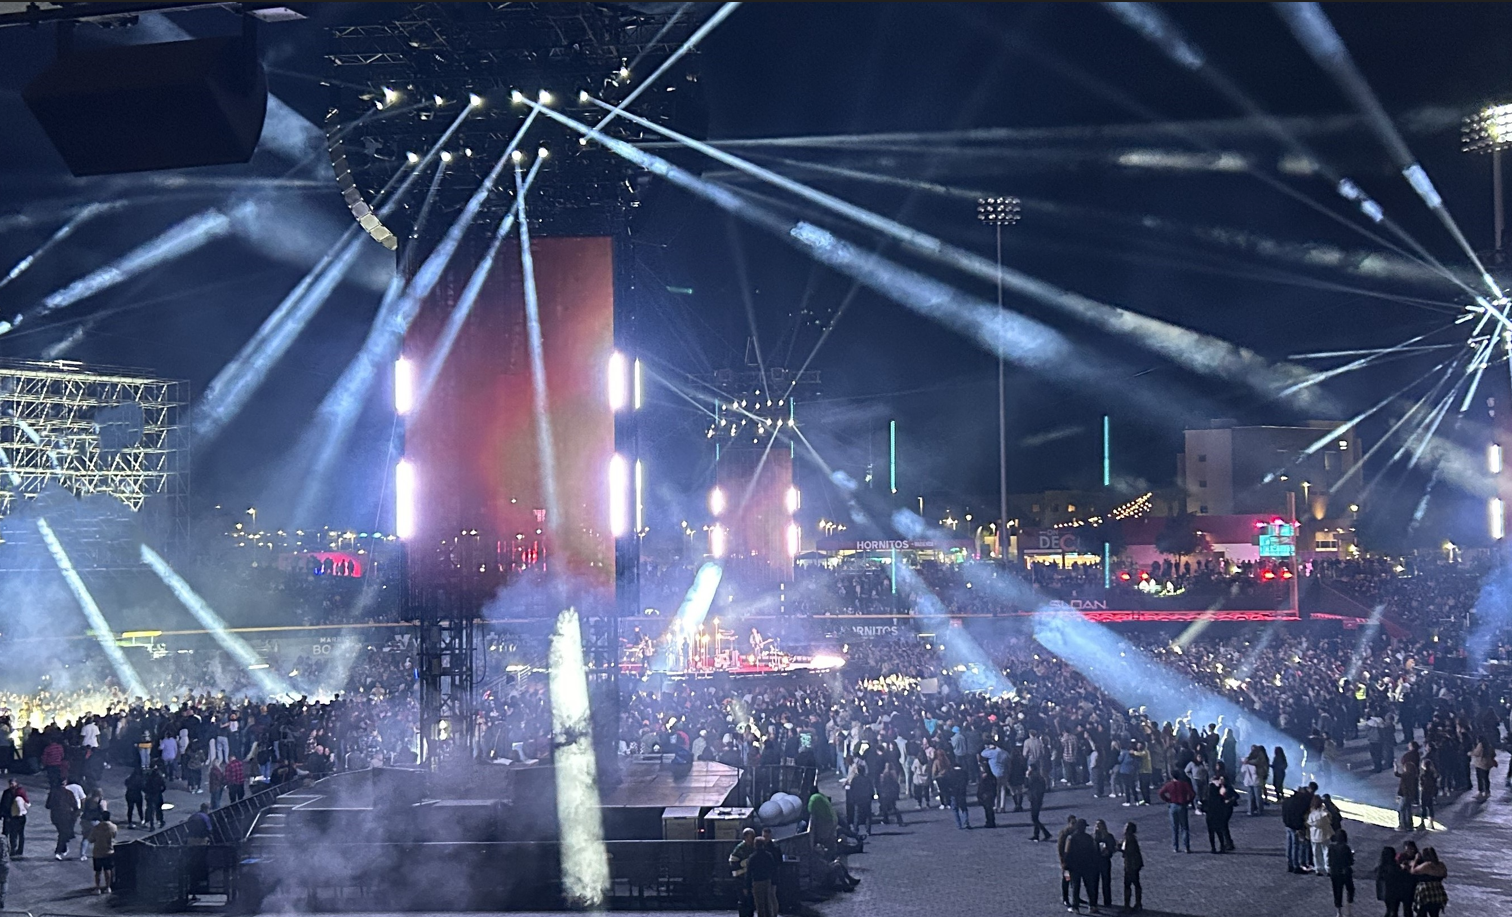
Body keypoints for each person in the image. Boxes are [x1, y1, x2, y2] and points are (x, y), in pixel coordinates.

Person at [1064, 819, 1101, 913]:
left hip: (1075, 866)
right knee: (1089, 886)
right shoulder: (1088, 838)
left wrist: (1066, 866)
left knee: (1075, 887)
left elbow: (1067, 853)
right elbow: (1093, 852)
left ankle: (1075, 906)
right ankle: (1092, 905)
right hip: (1087, 865)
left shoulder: (1071, 838)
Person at [1158, 771, 1194, 853]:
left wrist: (1167, 800)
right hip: (1182, 805)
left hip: (1173, 805)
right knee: (1184, 827)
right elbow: (1192, 794)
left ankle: (1175, 847)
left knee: (1174, 827)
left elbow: (1160, 792)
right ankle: (1186, 847)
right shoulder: (1184, 784)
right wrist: (1188, 801)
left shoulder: (1169, 785)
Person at [747, 836, 780, 917]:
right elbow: (773, 868)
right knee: (768, 902)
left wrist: (747, 886)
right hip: (767, 880)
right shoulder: (768, 855)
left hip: (757, 881)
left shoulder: (752, 857)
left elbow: (749, 872)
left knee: (759, 904)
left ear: (755, 845)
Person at [46, 780, 79, 860]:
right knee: (63, 834)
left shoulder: (53, 793)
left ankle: (63, 849)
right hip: (66, 816)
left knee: (62, 833)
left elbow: (47, 805)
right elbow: (75, 806)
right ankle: (58, 851)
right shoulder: (69, 793)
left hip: (55, 816)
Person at [1410, 848, 1447, 917]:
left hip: (1426, 892)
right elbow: (1445, 875)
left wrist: (1415, 860)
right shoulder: (1441, 864)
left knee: (1421, 913)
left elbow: (1413, 871)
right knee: (1435, 914)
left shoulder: (1427, 865)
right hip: (1438, 891)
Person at [1375, 846, 1410, 917]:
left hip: (1385, 892)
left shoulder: (1381, 867)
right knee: (1393, 911)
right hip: (1394, 892)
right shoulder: (1393, 866)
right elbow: (1401, 875)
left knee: (1389, 909)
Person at [728, 827, 756, 917]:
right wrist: (743, 865)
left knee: (750, 899)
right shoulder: (740, 848)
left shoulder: (754, 847)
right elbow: (733, 862)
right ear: (745, 837)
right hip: (740, 877)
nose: (751, 839)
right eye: (750, 837)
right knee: (743, 899)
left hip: (750, 877)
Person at [1204, 776, 1235, 854]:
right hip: (1218, 815)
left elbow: (1204, 807)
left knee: (1212, 833)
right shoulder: (1219, 796)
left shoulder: (1208, 797)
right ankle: (1222, 846)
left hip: (1210, 816)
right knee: (1219, 831)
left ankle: (1214, 848)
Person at [89, 812, 117, 895]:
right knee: (108, 870)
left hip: (98, 851)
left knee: (98, 871)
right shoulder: (113, 827)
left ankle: (97, 888)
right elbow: (114, 836)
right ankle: (108, 887)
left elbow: (91, 839)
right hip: (109, 850)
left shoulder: (96, 827)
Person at [1329, 829, 1355, 917]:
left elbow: (1330, 861)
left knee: (1337, 891)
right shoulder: (1346, 848)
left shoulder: (1331, 848)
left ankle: (1338, 912)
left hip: (1335, 872)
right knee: (1350, 889)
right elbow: (1350, 862)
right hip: (1345, 872)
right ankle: (1348, 910)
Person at [1093, 819, 1116, 909]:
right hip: (1095, 862)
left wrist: (1108, 851)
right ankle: (1094, 901)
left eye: (1100, 825)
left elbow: (1113, 847)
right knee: (1094, 882)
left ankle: (1107, 901)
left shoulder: (1109, 836)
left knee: (1106, 882)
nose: (1098, 827)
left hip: (1105, 861)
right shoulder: (1093, 837)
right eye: (1097, 825)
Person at [1121, 821, 1143, 912]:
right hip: (1133, 865)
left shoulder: (1130, 839)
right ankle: (1137, 903)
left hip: (1131, 865)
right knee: (1135, 884)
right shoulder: (1130, 838)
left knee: (1129, 884)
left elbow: (1128, 852)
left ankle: (1129, 905)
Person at [1308, 793, 1332, 877]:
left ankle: (1318, 868)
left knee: (1316, 853)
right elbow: (1329, 820)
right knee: (1326, 852)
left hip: (1314, 835)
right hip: (1324, 834)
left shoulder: (1311, 813)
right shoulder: (1324, 813)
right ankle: (1328, 868)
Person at [1, 780, 27, 857]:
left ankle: (17, 849)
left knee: (16, 833)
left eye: (12, 783)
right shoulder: (8, 792)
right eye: (10, 783)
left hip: (17, 816)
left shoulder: (19, 793)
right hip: (11, 815)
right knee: (10, 833)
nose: (11, 785)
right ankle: (11, 849)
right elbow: (3, 804)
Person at [1027, 765, 1051, 842]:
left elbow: (1027, 785)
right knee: (1035, 818)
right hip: (1038, 799)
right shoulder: (1040, 778)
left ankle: (1045, 833)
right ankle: (1036, 834)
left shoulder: (1032, 777)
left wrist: (1027, 776)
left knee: (1034, 818)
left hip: (1034, 800)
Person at [1468, 736, 1496, 800]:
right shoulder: (1489, 745)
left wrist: (1470, 753)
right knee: (1486, 778)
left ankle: (1480, 792)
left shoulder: (1480, 745)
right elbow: (1494, 754)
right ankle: (1487, 791)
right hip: (1487, 764)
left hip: (1480, 764)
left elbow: (1476, 753)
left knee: (1480, 779)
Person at [977, 756, 998, 829]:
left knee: (988, 809)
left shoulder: (987, 776)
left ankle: (990, 822)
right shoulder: (991, 776)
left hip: (987, 793)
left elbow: (982, 786)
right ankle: (990, 821)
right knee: (988, 809)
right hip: (988, 793)